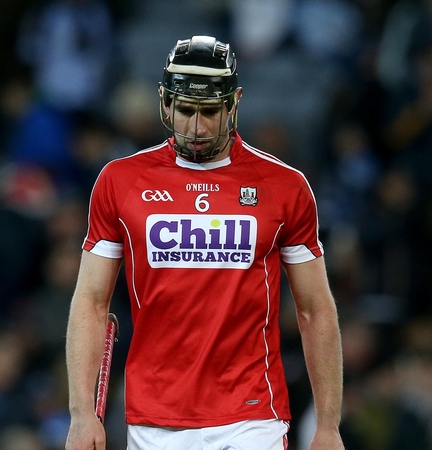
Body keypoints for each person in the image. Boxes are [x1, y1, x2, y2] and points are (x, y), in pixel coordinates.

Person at [65, 35, 345, 450]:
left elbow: (315, 308)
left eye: (210, 112)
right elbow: (90, 300)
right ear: (164, 103)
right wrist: (81, 414)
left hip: (253, 416)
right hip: (155, 417)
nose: (196, 127)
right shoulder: (119, 182)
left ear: (234, 104)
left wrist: (328, 425)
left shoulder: (285, 187)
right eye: (185, 110)